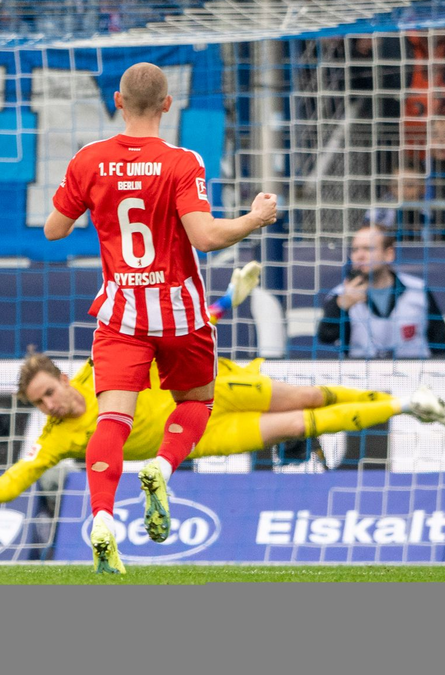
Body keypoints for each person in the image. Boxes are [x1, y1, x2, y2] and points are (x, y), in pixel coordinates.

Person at [43, 62, 278, 573]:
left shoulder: (89, 160)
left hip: (123, 313)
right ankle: (162, 467)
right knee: (197, 403)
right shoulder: (181, 162)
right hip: (179, 314)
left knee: (112, 420)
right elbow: (207, 238)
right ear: (168, 104)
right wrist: (256, 218)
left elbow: (54, 230)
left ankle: (102, 519)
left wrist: (89, 195)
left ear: (118, 102)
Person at [0, 351, 445, 514]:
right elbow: (21, 474)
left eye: (47, 392)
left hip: (212, 388)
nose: (48, 404)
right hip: (200, 436)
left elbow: (162, 341)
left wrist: (217, 309)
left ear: (62, 378)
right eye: (39, 402)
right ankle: (407, 405)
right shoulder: (57, 439)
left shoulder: (99, 367)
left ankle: (405, 399)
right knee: (296, 426)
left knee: (307, 397)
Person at [316, 226, 445, 359]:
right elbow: (326, 336)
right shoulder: (340, 295)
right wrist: (341, 306)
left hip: (415, 377)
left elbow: (442, 341)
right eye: (355, 249)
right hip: (361, 378)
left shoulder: (418, 290)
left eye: (368, 249)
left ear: (389, 254)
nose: (359, 256)